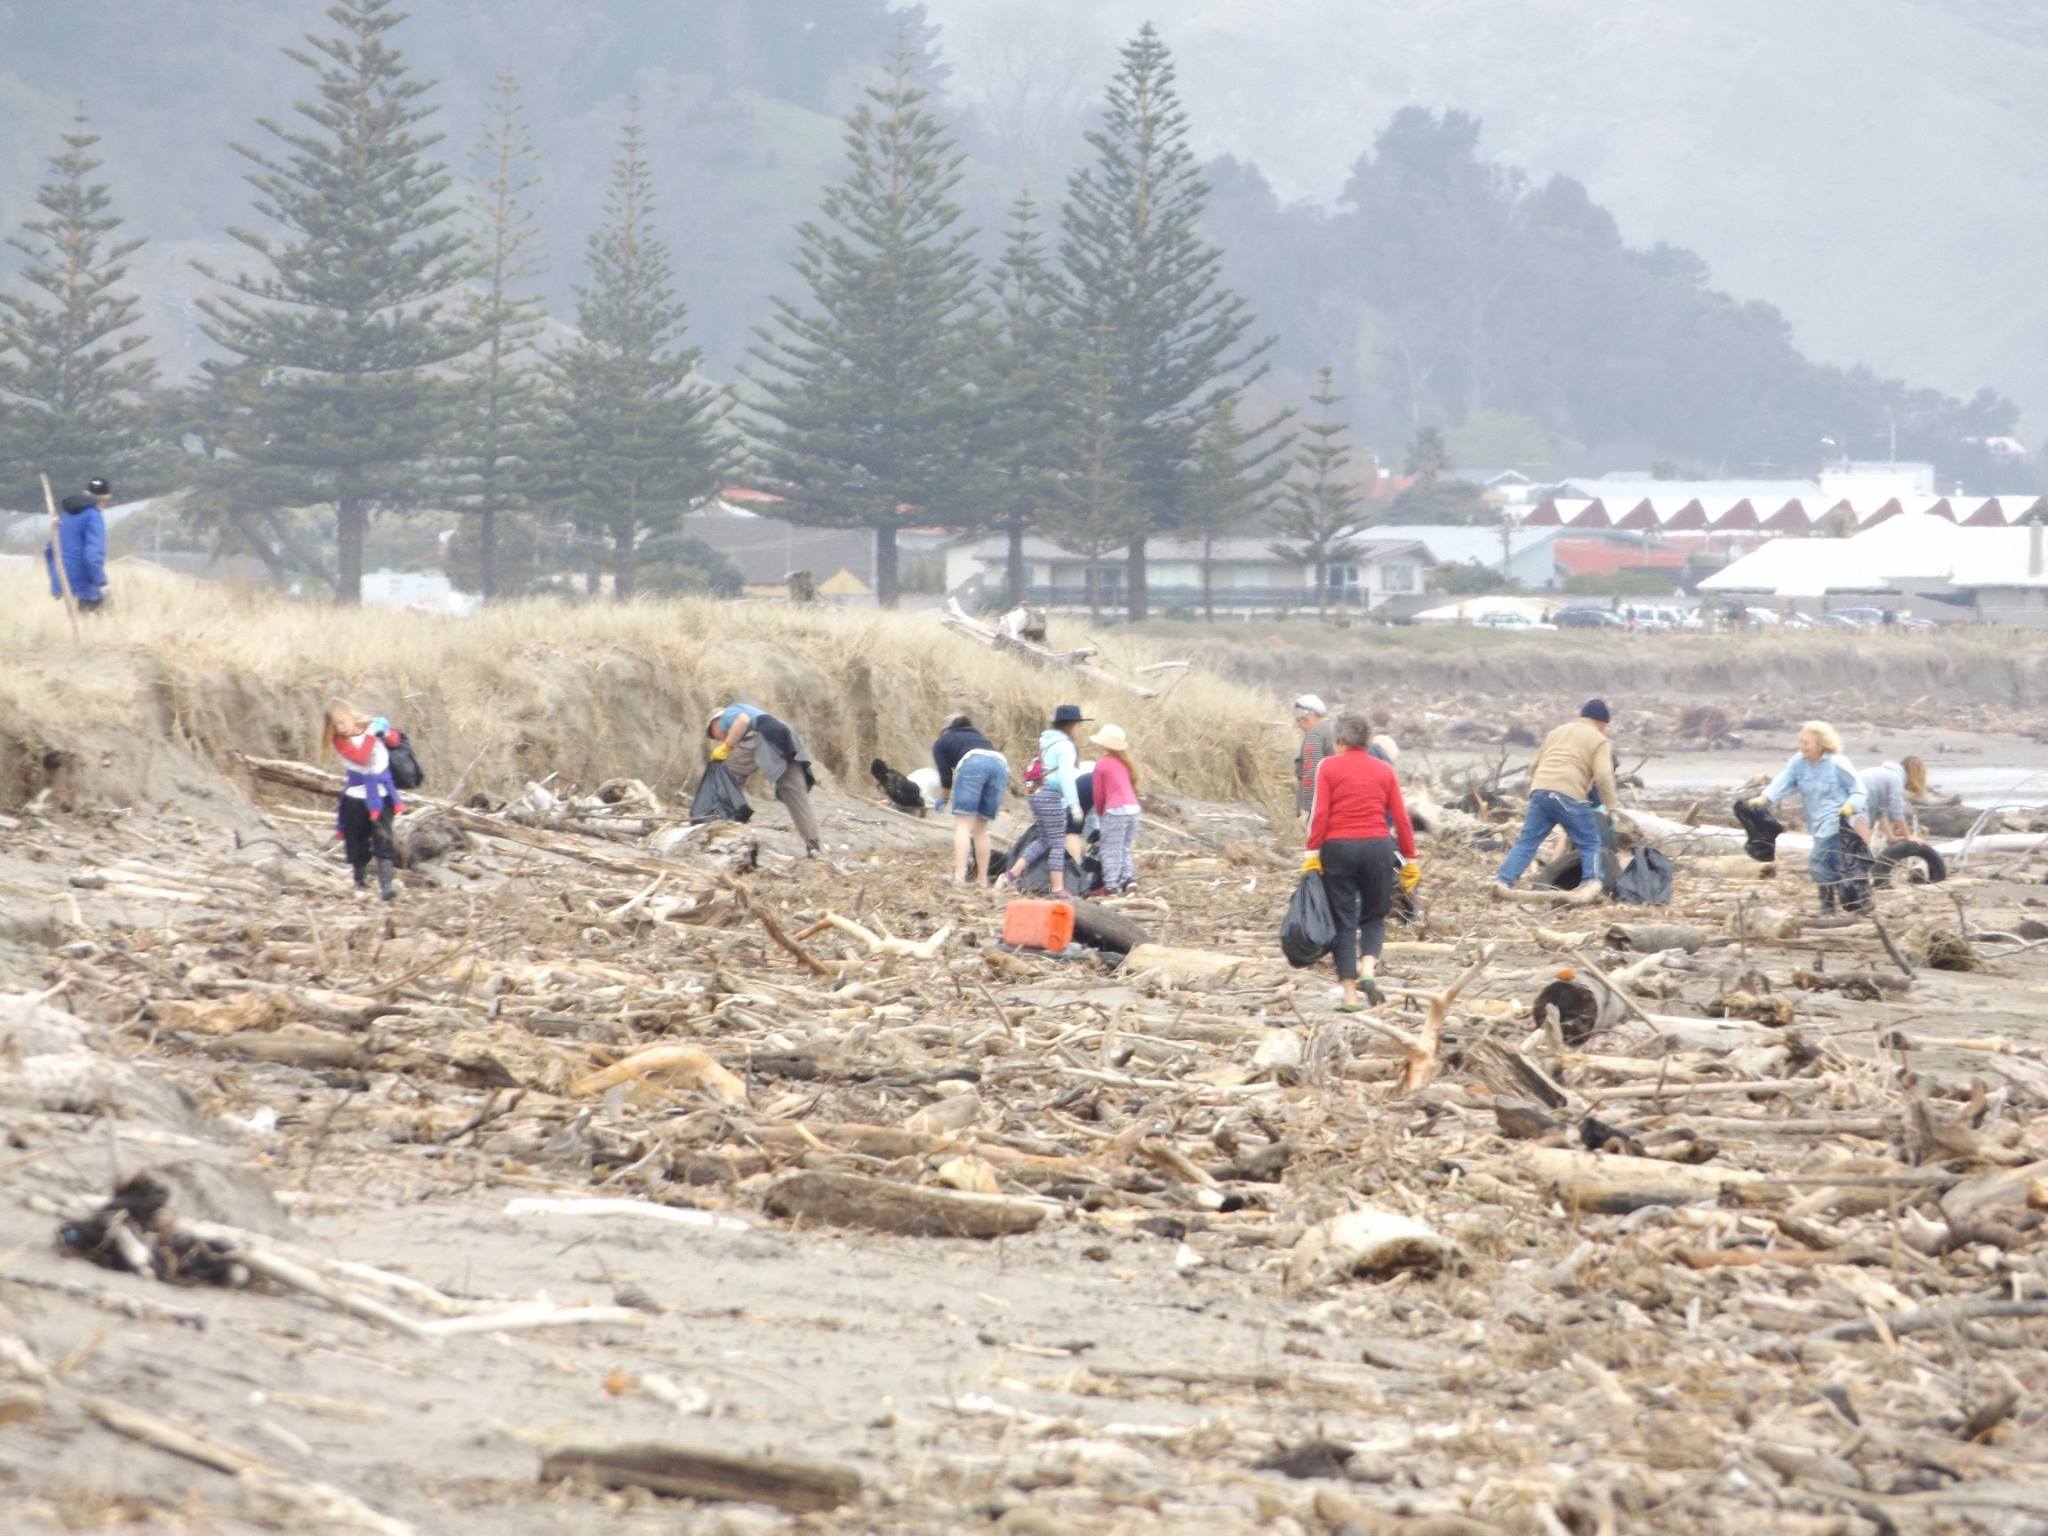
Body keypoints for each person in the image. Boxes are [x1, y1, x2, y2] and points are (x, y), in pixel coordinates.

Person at [1303, 712, 1419, 1010]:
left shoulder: (1328, 766)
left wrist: (1312, 853)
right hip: (1378, 848)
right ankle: (1368, 971)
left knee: (1343, 921)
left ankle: (1350, 997)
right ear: (1368, 740)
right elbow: (1401, 819)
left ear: (1339, 739)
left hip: (1338, 849)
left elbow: (1320, 814)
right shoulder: (1384, 770)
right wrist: (1410, 859)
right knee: (1374, 916)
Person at [1494, 700, 1621, 893]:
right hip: (1569, 795)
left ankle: (1502, 881)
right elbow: (1604, 776)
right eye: (1605, 726)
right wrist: (1611, 808)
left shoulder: (1556, 733)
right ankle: (1592, 884)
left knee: (1527, 842)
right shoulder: (1599, 740)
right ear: (1602, 722)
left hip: (1540, 791)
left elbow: (1533, 766)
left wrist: (1542, 787)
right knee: (1590, 843)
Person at [1751, 721, 1869, 912]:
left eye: (1806, 743)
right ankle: (1858, 902)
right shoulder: (1799, 762)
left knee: (1818, 861)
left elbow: (1859, 790)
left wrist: (1850, 805)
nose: (1802, 746)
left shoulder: (1837, 763)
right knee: (1834, 863)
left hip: (1837, 820)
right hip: (1816, 821)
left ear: (1821, 744)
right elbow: (1785, 780)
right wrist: (1765, 798)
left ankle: (1828, 909)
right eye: (1801, 742)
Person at [707, 702, 821, 856]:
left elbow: (743, 721)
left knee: (727, 774)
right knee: (794, 792)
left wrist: (726, 746)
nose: (717, 739)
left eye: (713, 734)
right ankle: (813, 845)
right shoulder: (750, 712)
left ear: (715, 722)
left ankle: (727, 823)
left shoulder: (728, 713)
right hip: (786, 734)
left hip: (762, 734)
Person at [325, 700, 403, 901]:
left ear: (351, 715)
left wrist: (384, 731)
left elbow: (395, 742)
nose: (341, 728)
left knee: (383, 838)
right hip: (355, 797)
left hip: (381, 795)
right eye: (336, 725)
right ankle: (359, 880)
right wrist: (370, 736)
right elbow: (362, 758)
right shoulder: (340, 741)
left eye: (342, 721)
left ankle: (386, 886)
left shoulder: (369, 726)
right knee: (356, 840)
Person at [1010, 703, 1088, 897]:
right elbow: (1066, 778)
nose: (1080, 730)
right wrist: (1074, 804)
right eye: (1079, 725)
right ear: (1070, 725)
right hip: (1050, 794)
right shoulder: (1065, 746)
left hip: (1035, 793)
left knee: (1045, 839)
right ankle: (1057, 888)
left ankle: (1011, 875)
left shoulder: (1047, 742)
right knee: (1058, 842)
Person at [932, 713, 1008, 887]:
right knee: (981, 828)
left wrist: (944, 798)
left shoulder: (942, 742)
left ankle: (959, 878)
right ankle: (982, 880)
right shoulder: (978, 737)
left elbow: (945, 773)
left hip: (973, 764)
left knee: (963, 825)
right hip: (1000, 765)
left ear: (946, 730)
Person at [1088, 724, 1142, 895]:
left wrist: (1100, 813)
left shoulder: (1102, 764)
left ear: (1103, 745)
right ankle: (1128, 879)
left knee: (1110, 848)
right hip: (1133, 808)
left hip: (1115, 810)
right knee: (1124, 846)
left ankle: (1111, 886)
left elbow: (1098, 795)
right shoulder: (1124, 763)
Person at [45, 476, 112, 612]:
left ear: (86, 493)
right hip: (84, 582)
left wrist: (55, 581)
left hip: (62, 579)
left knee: (73, 620)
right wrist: (101, 583)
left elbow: (49, 550)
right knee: (104, 616)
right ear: (107, 498)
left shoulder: (64, 514)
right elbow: (92, 556)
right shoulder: (93, 516)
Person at [1859, 755, 1927, 845]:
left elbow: (1880, 812)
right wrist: (1908, 836)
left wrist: (1890, 837)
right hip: (1855, 806)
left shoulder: (1887, 774)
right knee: (1861, 846)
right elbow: (1896, 811)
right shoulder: (1896, 778)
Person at [1292, 694, 1336, 828]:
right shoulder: (1336, 729)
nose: (1299, 726)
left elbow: (1311, 773)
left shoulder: (1315, 734)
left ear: (1310, 715)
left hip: (1320, 809)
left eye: (1300, 720)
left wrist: (1306, 810)